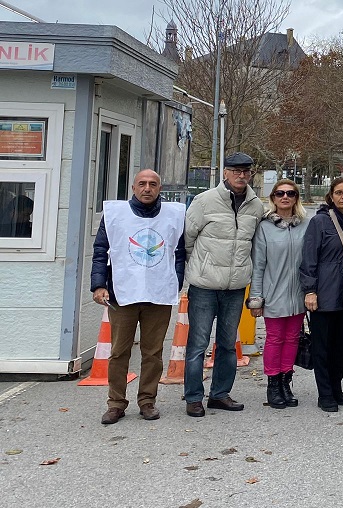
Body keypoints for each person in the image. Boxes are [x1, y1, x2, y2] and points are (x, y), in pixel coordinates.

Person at [90, 169, 185, 424]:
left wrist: (175, 281)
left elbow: (180, 251)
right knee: (119, 352)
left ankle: (147, 400)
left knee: (152, 353)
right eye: (142, 184)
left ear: (159, 189)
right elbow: (101, 250)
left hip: (158, 294)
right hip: (123, 293)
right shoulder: (115, 215)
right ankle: (116, 402)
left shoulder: (174, 215)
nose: (147, 188)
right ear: (133, 187)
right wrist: (99, 284)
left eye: (153, 184)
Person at [183, 152, 264, 417]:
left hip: (236, 287)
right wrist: (199, 267)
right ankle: (194, 397)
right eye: (236, 171)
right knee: (198, 343)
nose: (242, 176)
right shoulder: (204, 201)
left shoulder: (255, 206)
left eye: (246, 171)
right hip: (205, 286)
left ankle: (219, 394)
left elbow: (256, 245)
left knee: (228, 345)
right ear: (225, 174)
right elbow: (188, 239)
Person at [301, 176, 343, 412]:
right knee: (322, 346)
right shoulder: (319, 222)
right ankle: (325, 392)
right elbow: (309, 259)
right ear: (331, 195)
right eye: (339, 192)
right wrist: (310, 291)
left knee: (340, 345)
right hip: (324, 293)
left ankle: (337, 387)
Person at [249, 179, 308, 409]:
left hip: (298, 294)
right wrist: (256, 298)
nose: (285, 197)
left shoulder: (305, 225)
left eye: (291, 193)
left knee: (293, 338)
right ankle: (273, 384)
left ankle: (286, 381)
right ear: (273, 198)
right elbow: (258, 265)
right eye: (280, 193)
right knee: (275, 338)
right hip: (273, 293)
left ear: (296, 198)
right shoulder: (265, 227)